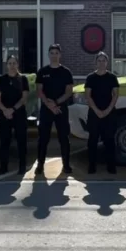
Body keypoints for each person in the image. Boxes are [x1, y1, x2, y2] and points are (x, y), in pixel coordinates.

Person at [36, 44, 75, 175]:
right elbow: (39, 91)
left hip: (61, 108)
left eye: (56, 53)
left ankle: (66, 165)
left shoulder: (66, 72)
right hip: (46, 109)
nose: (54, 55)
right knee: (43, 138)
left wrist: (56, 103)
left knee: (63, 137)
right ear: (48, 55)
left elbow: (69, 91)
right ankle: (40, 165)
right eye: (51, 53)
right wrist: (49, 104)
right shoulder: (42, 72)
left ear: (60, 55)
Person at [0, 55, 30, 175]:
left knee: (21, 141)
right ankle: (3, 166)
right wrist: (4, 110)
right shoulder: (2, 79)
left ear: (18, 65)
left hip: (19, 113)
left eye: (14, 63)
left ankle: (22, 166)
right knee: (4, 141)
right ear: (6, 65)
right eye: (10, 63)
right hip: (4, 114)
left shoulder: (23, 79)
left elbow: (24, 98)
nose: (12, 66)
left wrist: (12, 110)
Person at [84, 51, 120, 174]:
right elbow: (88, 96)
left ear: (107, 62)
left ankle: (111, 166)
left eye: (103, 61)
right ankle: (91, 165)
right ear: (95, 63)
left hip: (109, 113)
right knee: (92, 140)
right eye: (99, 61)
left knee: (109, 140)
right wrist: (98, 111)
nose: (101, 63)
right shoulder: (90, 78)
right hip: (94, 113)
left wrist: (107, 111)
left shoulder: (112, 77)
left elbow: (115, 95)